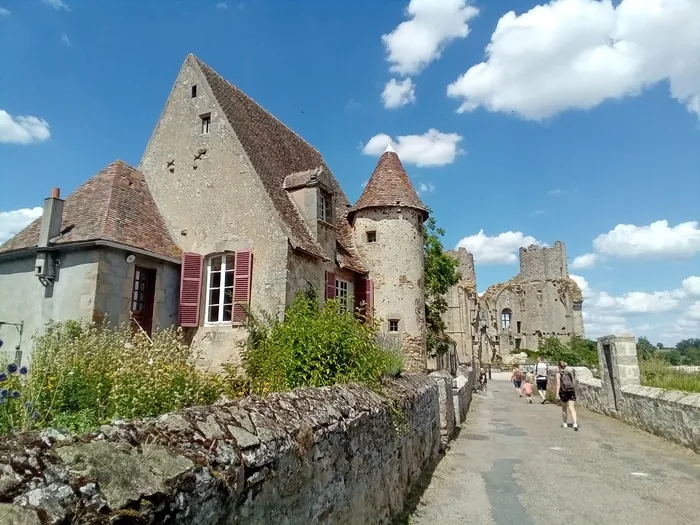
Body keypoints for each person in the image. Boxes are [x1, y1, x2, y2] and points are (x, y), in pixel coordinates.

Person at [556, 360, 579, 431]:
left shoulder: (558, 374)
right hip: (571, 391)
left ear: (559, 366)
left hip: (563, 392)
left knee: (564, 408)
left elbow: (558, 384)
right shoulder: (569, 373)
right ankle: (575, 423)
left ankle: (565, 423)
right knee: (572, 408)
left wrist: (557, 394)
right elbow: (573, 382)